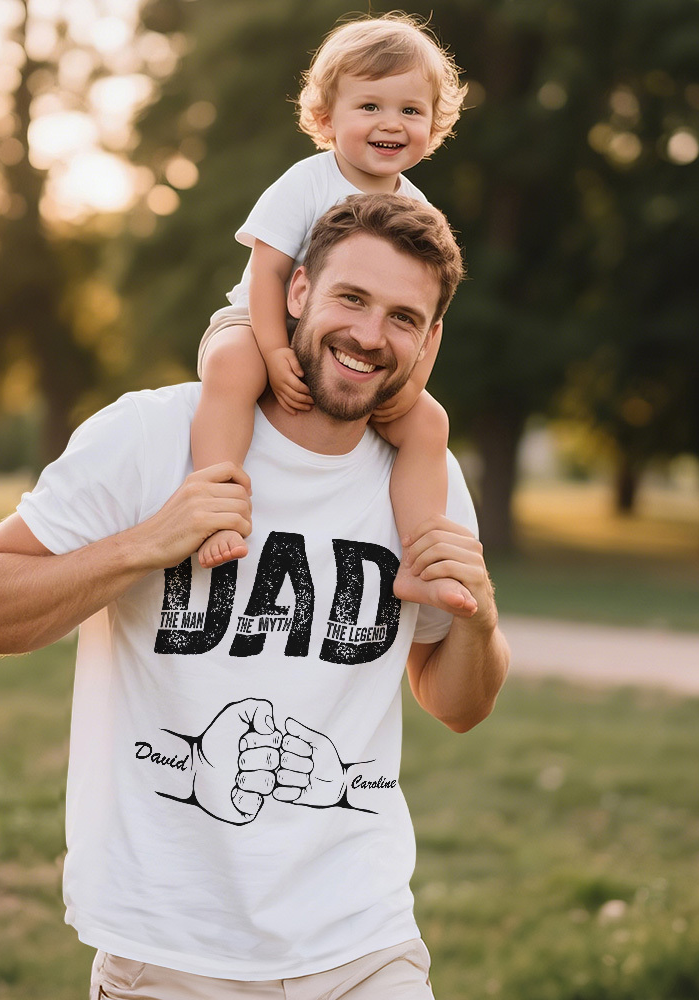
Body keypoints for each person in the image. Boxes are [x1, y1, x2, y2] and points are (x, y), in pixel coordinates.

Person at [0, 194, 510, 999]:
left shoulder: (427, 481)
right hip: (172, 949)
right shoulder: (150, 435)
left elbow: (457, 704)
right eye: (352, 298)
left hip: (362, 940)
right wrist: (150, 541)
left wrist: (478, 619)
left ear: (432, 339)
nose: (370, 336)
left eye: (404, 317)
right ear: (299, 292)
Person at [192, 13, 468, 618]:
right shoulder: (305, 184)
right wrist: (273, 351)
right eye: (369, 106)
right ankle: (213, 511)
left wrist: (412, 383)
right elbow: (268, 275)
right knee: (232, 369)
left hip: (350, 352)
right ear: (326, 119)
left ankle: (424, 560)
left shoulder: (416, 211)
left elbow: (432, 315)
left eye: (410, 110)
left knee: (428, 424)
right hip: (258, 323)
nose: (391, 123)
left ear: (433, 125)